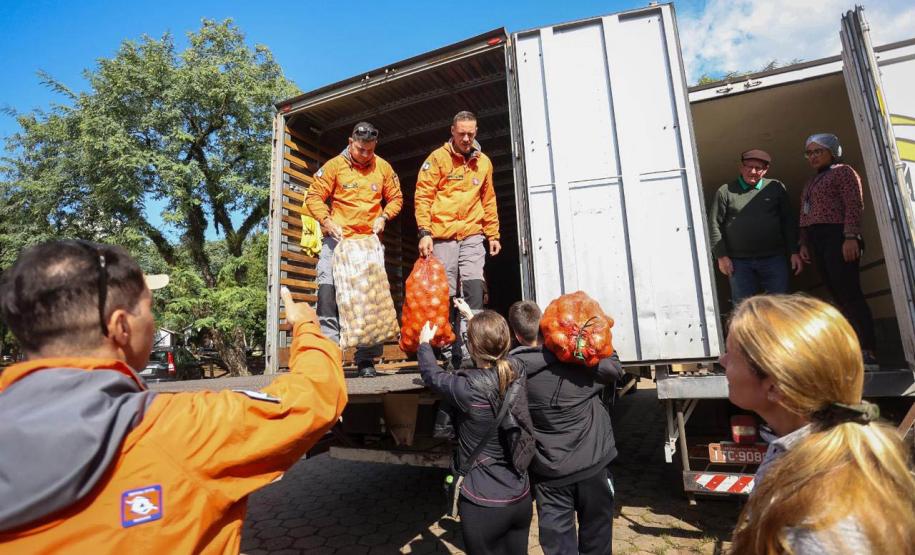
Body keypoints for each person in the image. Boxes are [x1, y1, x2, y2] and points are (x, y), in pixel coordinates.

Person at [0, 240, 347, 553]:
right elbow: (314, 397)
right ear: (121, 327)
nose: (152, 321)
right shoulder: (179, 431)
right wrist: (306, 326)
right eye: (148, 309)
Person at [722, 294, 915, 554]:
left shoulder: (821, 518)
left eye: (731, 356)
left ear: (773, 387)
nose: (722, 361)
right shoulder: (791, 449)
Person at [507, 300, 624, 555]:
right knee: (597, 542)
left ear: (516, 335)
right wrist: (600, 335)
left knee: (559, 548)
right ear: (545, 324)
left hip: (549, 476)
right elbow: (614, 368)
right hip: (592, 468)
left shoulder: (511, 373)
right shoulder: (575, 364)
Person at [417, 308, 531, 555]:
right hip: (520, 497)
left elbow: (431, 375)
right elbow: (497, 351)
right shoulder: (517, 369)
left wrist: (424, 344)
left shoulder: (466, 387)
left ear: (472, 346)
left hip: (484, 504)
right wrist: (474, 320)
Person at [305, 121, 403, 377]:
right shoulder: (335, 166)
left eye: (369, 151)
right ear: (351, 143)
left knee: (369, 301)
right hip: (337, 240)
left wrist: (384, 216)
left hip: (367, 244)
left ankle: (366, 360)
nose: (365, 155)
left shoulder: (383, 167)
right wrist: (326, 221)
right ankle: (330, 357)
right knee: (327, 294)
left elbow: (396, 198)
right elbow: (314, 195)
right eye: (360, 150)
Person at [415, 111, 500, 368]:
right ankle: (450, 349)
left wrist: (493, 234)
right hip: (443, 237)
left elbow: (489, 200)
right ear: (452, 131)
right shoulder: (437, 159)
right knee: (445, 296)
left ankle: (473, 350)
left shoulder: (483, 162)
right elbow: (423, 197)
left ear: (476, 132)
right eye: (461, 133)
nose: (466, 138)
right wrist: (424, 232)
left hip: (473, 235)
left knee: (474, 290)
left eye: (470, 134)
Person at [798, 133, 878, 368]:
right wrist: (803, 243)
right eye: (809, 153)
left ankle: (868, 349)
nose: (812, 157)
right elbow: (804, 214)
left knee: (850, 293)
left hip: (838, 237)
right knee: (836, 295)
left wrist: (851, 236)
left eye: (818, 151)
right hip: (817, 240)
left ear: (832, 152)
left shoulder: (843, 171)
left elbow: (854, 204)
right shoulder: (810, 182)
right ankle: (849, 349)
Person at [708, 148, 802, 306]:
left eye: (758, 168)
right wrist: (721, 257)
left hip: (774, 259)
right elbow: (714, 225)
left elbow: (788, 221)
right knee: (744, 309)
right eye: (748, 166)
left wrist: (794, 251)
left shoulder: (775, 187)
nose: (752, 171)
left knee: (780, 306)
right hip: (739, 263)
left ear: (765, 170)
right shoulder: (725, 191)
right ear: (741, 167)